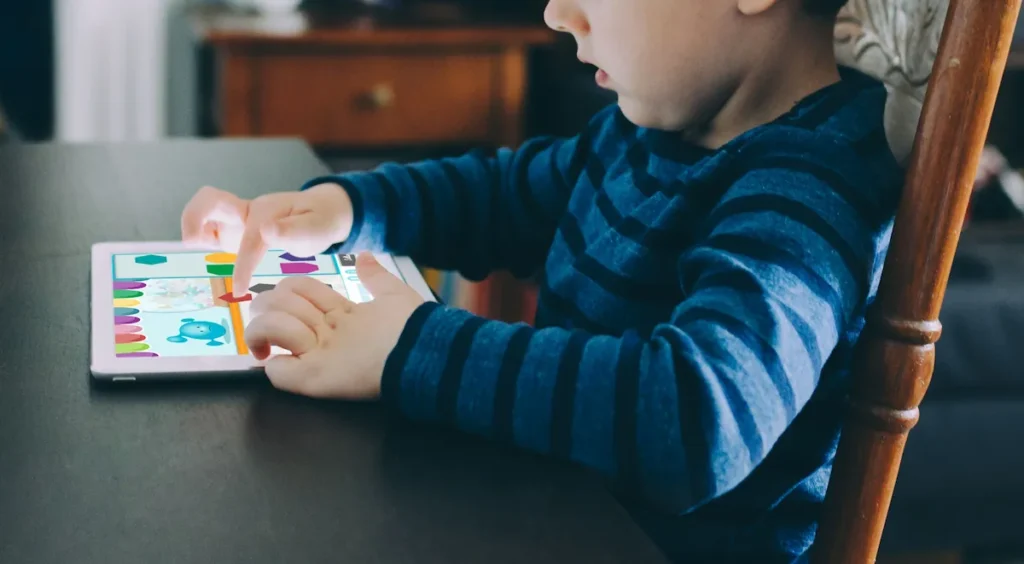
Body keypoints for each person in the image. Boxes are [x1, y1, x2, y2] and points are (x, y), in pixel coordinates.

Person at [180, 0, 906, 560]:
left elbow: (699, 418)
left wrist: (409, 343)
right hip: (552, 515)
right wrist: (347, 208)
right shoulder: (649, 132)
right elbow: (503, 196)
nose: (558, 13)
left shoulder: (813, 185)